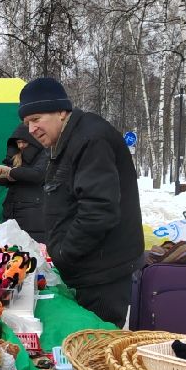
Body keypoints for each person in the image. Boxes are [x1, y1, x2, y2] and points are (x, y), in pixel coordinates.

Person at [18, 77, 143, 326]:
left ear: (61, 111)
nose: (31, 129)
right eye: (26, 123)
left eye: (35, 119)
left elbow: (98, 211)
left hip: (102, 273)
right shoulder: (68, 139)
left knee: (96, 347)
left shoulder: (90, 139)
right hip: (89, 268)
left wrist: (64, 253)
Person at [0, 124, 49, 243]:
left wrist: (10, 172)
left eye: (24, 142)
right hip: (13, 210)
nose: (21, 146)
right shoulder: (16, 156)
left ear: (33, 141)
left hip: (33, 214)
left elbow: (38, 174)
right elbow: (10, 179)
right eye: (18, 142)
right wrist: (0, 176)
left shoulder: (45, 154)